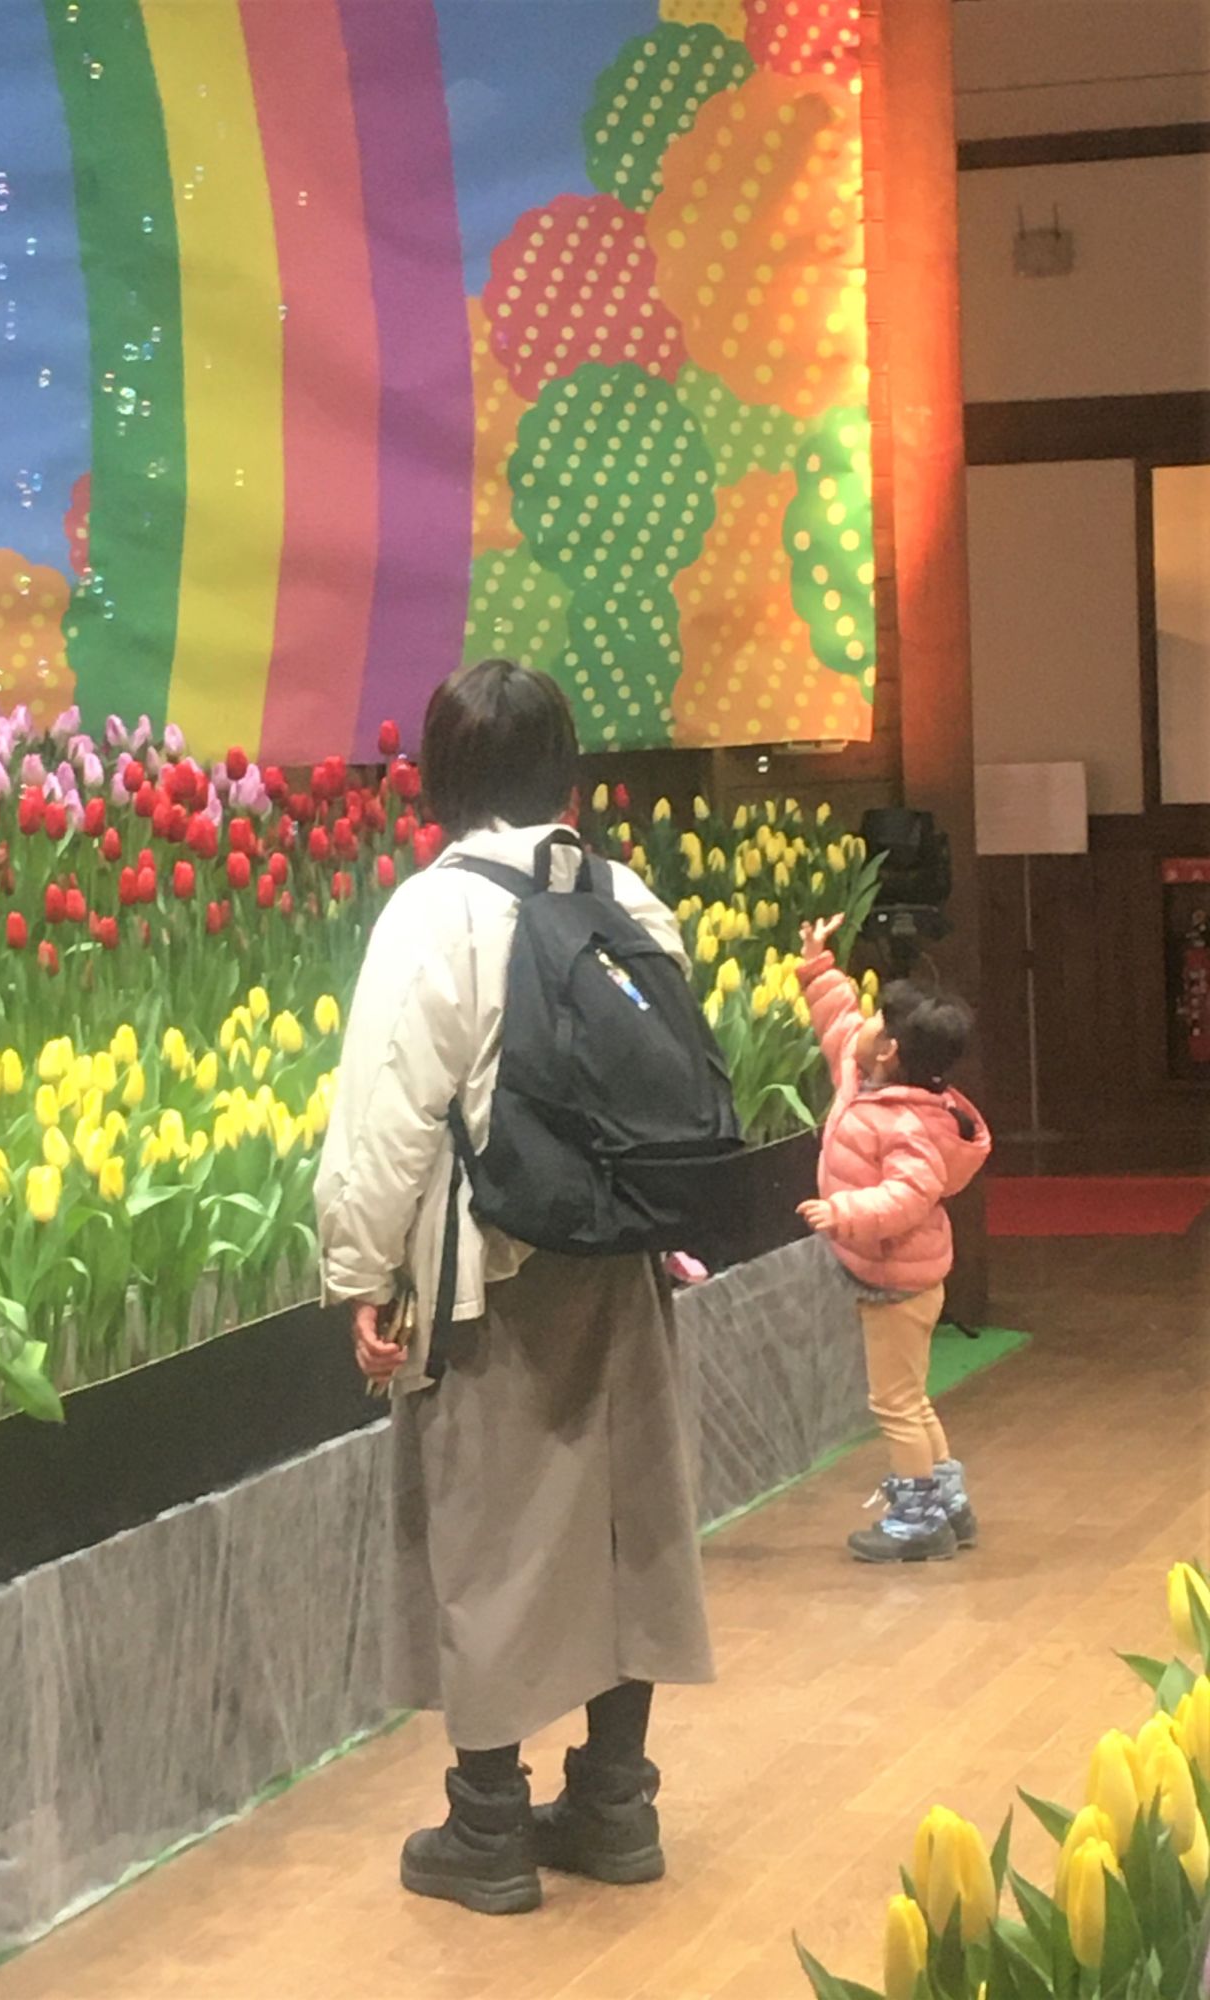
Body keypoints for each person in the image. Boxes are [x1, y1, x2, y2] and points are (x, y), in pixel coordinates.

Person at [315, 659, 712, 1917]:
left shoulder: (433, 913)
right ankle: (615, 1803)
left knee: (487, 1536)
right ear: (568, 773)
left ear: (440, 777)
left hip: (492, 1272)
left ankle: (486, 1824)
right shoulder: (628, 897)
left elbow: (387, 1116)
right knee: (626, 1522)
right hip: (624, 1260)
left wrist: (360, 1269)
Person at [795, 915, 991, 1564]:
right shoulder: (867, 1078)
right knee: (912, 1397)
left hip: (897, 1282)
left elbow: (909, 1197)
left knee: (896, 1404)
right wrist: (819, 967)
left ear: (890, 1052)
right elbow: (839, 1022)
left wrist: (843, 1211)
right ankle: (948, 1503)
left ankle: (918, 1522)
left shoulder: (907, 1124)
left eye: (878, 1020)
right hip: (892, 1274)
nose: (864, 1021)